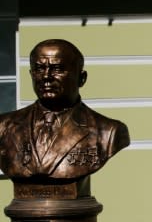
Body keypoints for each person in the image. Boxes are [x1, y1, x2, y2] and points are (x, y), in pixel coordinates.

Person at [0, 39, 130, 181]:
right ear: (31, 74)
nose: (46, 77)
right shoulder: (4, 126)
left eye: (57, 69)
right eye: (39, 69)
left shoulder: (108, 132)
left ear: (81, 78)